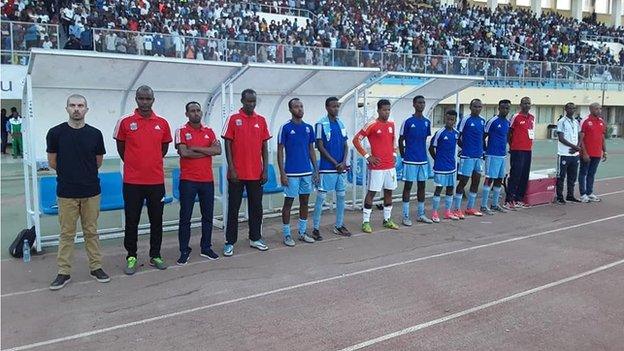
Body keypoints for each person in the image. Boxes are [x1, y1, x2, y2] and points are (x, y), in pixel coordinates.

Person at [46, 94, 110, 290]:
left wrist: (84, 175)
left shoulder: (95, 134)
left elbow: (98, 162)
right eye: (72, 105)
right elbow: (52, 162)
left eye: (80, 105)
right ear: (67, 108)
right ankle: (63, 272)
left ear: (86, 109)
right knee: (67, 233)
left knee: (91, 231)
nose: (76, 109)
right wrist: (70, 175)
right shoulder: (55, 133)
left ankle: (96, 267)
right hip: (66, 192)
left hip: (91, 191)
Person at [113, 86, 172, 274]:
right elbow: (121, 148)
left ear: (153, 100)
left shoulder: (162, 123)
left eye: (148, 99)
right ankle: (131, 256)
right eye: (141, 98)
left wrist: (150, 163)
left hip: (156, 182)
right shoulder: (125, 122)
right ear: (136, 99)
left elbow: (162, 149)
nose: (145, 102)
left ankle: (155, 255)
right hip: (132, 182)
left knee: (157, 220)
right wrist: (134, 164)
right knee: (132, 221)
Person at [222, 89, 271, 257]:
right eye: (248, 101)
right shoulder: (233, 119)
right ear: (242, 101)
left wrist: (265, 169)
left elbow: (265, 146)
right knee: (233, 209)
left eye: (253, 101)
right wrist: (232, 168)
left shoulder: (261, 120)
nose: (251, 104)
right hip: (236, 175)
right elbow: (227, 144)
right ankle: (229, 242)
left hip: (256, 174)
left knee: (256, 208)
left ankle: (255, 238)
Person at [174, 102, 222, 265]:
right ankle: (184, 250)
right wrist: (206, 150)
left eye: (198, 110)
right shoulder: (181, 130)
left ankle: (206, 247)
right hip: (188, 181)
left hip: (207, 180)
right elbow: (184, 153)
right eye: (192, 111)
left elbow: (218, 150)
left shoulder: (209, 130)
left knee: (207, 216)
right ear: (187, 114)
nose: (196, 113)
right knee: (185, 217)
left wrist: (195, 148)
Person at [352, 99, 399, 233]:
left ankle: (387, 220)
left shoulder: (391, 124)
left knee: (389, 191)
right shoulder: (372, 124)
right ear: (378, 110)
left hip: (390, 166)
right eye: (384, 110)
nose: (387, 112)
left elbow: (393, 142)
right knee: (372, 193)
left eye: (389, 110)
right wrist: (367, 156)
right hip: (377, 167)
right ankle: (365, 222)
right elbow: (356, 140)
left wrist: (394, 156)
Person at [277, 98, 319, 247]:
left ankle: (302, 232)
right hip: (291, 173)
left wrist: (316, 170)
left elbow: (311, 150)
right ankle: (287, 234)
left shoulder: (308, 128)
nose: (300, 109)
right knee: (288, 203)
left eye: (301, 106)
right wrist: (282, 173)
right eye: (296, 107)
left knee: (305, 202)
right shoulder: (285, 128)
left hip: (306, 172)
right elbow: (280, 151)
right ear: (290, 110)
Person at [312, 97, 351, 239]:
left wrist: (343, 162)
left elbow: (346, 145)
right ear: (327, 108)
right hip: (327, 168)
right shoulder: (320, 124)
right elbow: (320, 146)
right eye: (333, 106)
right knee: (321, 198)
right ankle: (315, 228)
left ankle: (339, 225)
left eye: (337, 106)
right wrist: (335, 163)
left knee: (341, 197)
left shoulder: (341, 123)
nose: (336, 109)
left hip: (341, 168)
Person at [398, 95, 433, 225]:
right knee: (408, 186)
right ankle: (405, 216)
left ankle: (421, 214)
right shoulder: (407, 121)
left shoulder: (427, 122)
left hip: (422, 160)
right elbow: (401, 140)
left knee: (422, 186)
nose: (421, 105)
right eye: (419, 103)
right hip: (410, 160)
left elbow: (424, 140)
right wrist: (403, 156)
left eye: (423, 103)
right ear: (414, 104)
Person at [454, 99, 486, 219]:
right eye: (475, 106)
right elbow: (458, 136)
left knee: (476, 180)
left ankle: (470, 207)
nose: (477, 109)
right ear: (470, 107)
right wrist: (464, 147)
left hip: (478, 156)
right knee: (463, 181)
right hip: (467, 156)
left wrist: (482, 151)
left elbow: (482, 137)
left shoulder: (482, 120)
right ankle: (457, 208)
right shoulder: (465, 120)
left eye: (479, 106)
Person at [480, 100, 511, 214]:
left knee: (499, 179)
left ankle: (494, 204)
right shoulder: (492, 121)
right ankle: (483, 206)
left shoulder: (507, 122)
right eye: (503, 108)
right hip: (492, 154)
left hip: (502, 155)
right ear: (499, 108)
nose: (505, 110)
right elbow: (483, 136)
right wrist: (484, 151)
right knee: (489, 179)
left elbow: (506, 137)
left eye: (507, 108)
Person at [429, 110, 460, 222]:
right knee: (438, 189)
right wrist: (437, 159)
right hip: (440, 167)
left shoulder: (456, 133)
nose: (450, 122)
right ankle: (434, 213)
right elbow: (431, 148)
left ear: (455, 120)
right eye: (448, 119)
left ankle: (447, 212)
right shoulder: (440, 133)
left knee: (450, 189)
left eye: (452, 120)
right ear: (445, 119)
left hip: (451, 166)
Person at [505, 97, 535, 209]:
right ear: (520, 105)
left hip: (528, 150)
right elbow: (509, 132)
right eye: (525, 103)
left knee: (524, 175)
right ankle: (509, 200)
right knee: (515, 174)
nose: (527, 105)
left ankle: (519, 199)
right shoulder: (516, 117)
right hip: (517, 150)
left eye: (529, 103)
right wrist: (511, 146)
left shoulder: (532, 118)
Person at [579, 102, 607, 203]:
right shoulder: (585, 121)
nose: (599, 111)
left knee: (592, 173)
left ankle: (590, 193)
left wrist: (604, 151)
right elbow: (581, 138)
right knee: (583, 173)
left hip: (597, 153)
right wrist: (584, 153)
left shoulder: (601, 122)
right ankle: (583, 194)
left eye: (600, 109)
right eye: (596, 109)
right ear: (590, 109)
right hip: (587, 153)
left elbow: (602, 137)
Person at [555, 102, 582, 204]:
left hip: (574, 154)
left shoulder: (576, 122)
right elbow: (561, 138)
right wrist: (574, 146)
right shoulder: (562, 121)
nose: (571, 110)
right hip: (564, 153)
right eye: (569, 108)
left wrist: (577, 147)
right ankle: (559, 197)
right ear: (565, 109)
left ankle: (570, 195)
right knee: (561, 176)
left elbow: (580, 135)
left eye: (573, 108)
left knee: (572, 176)